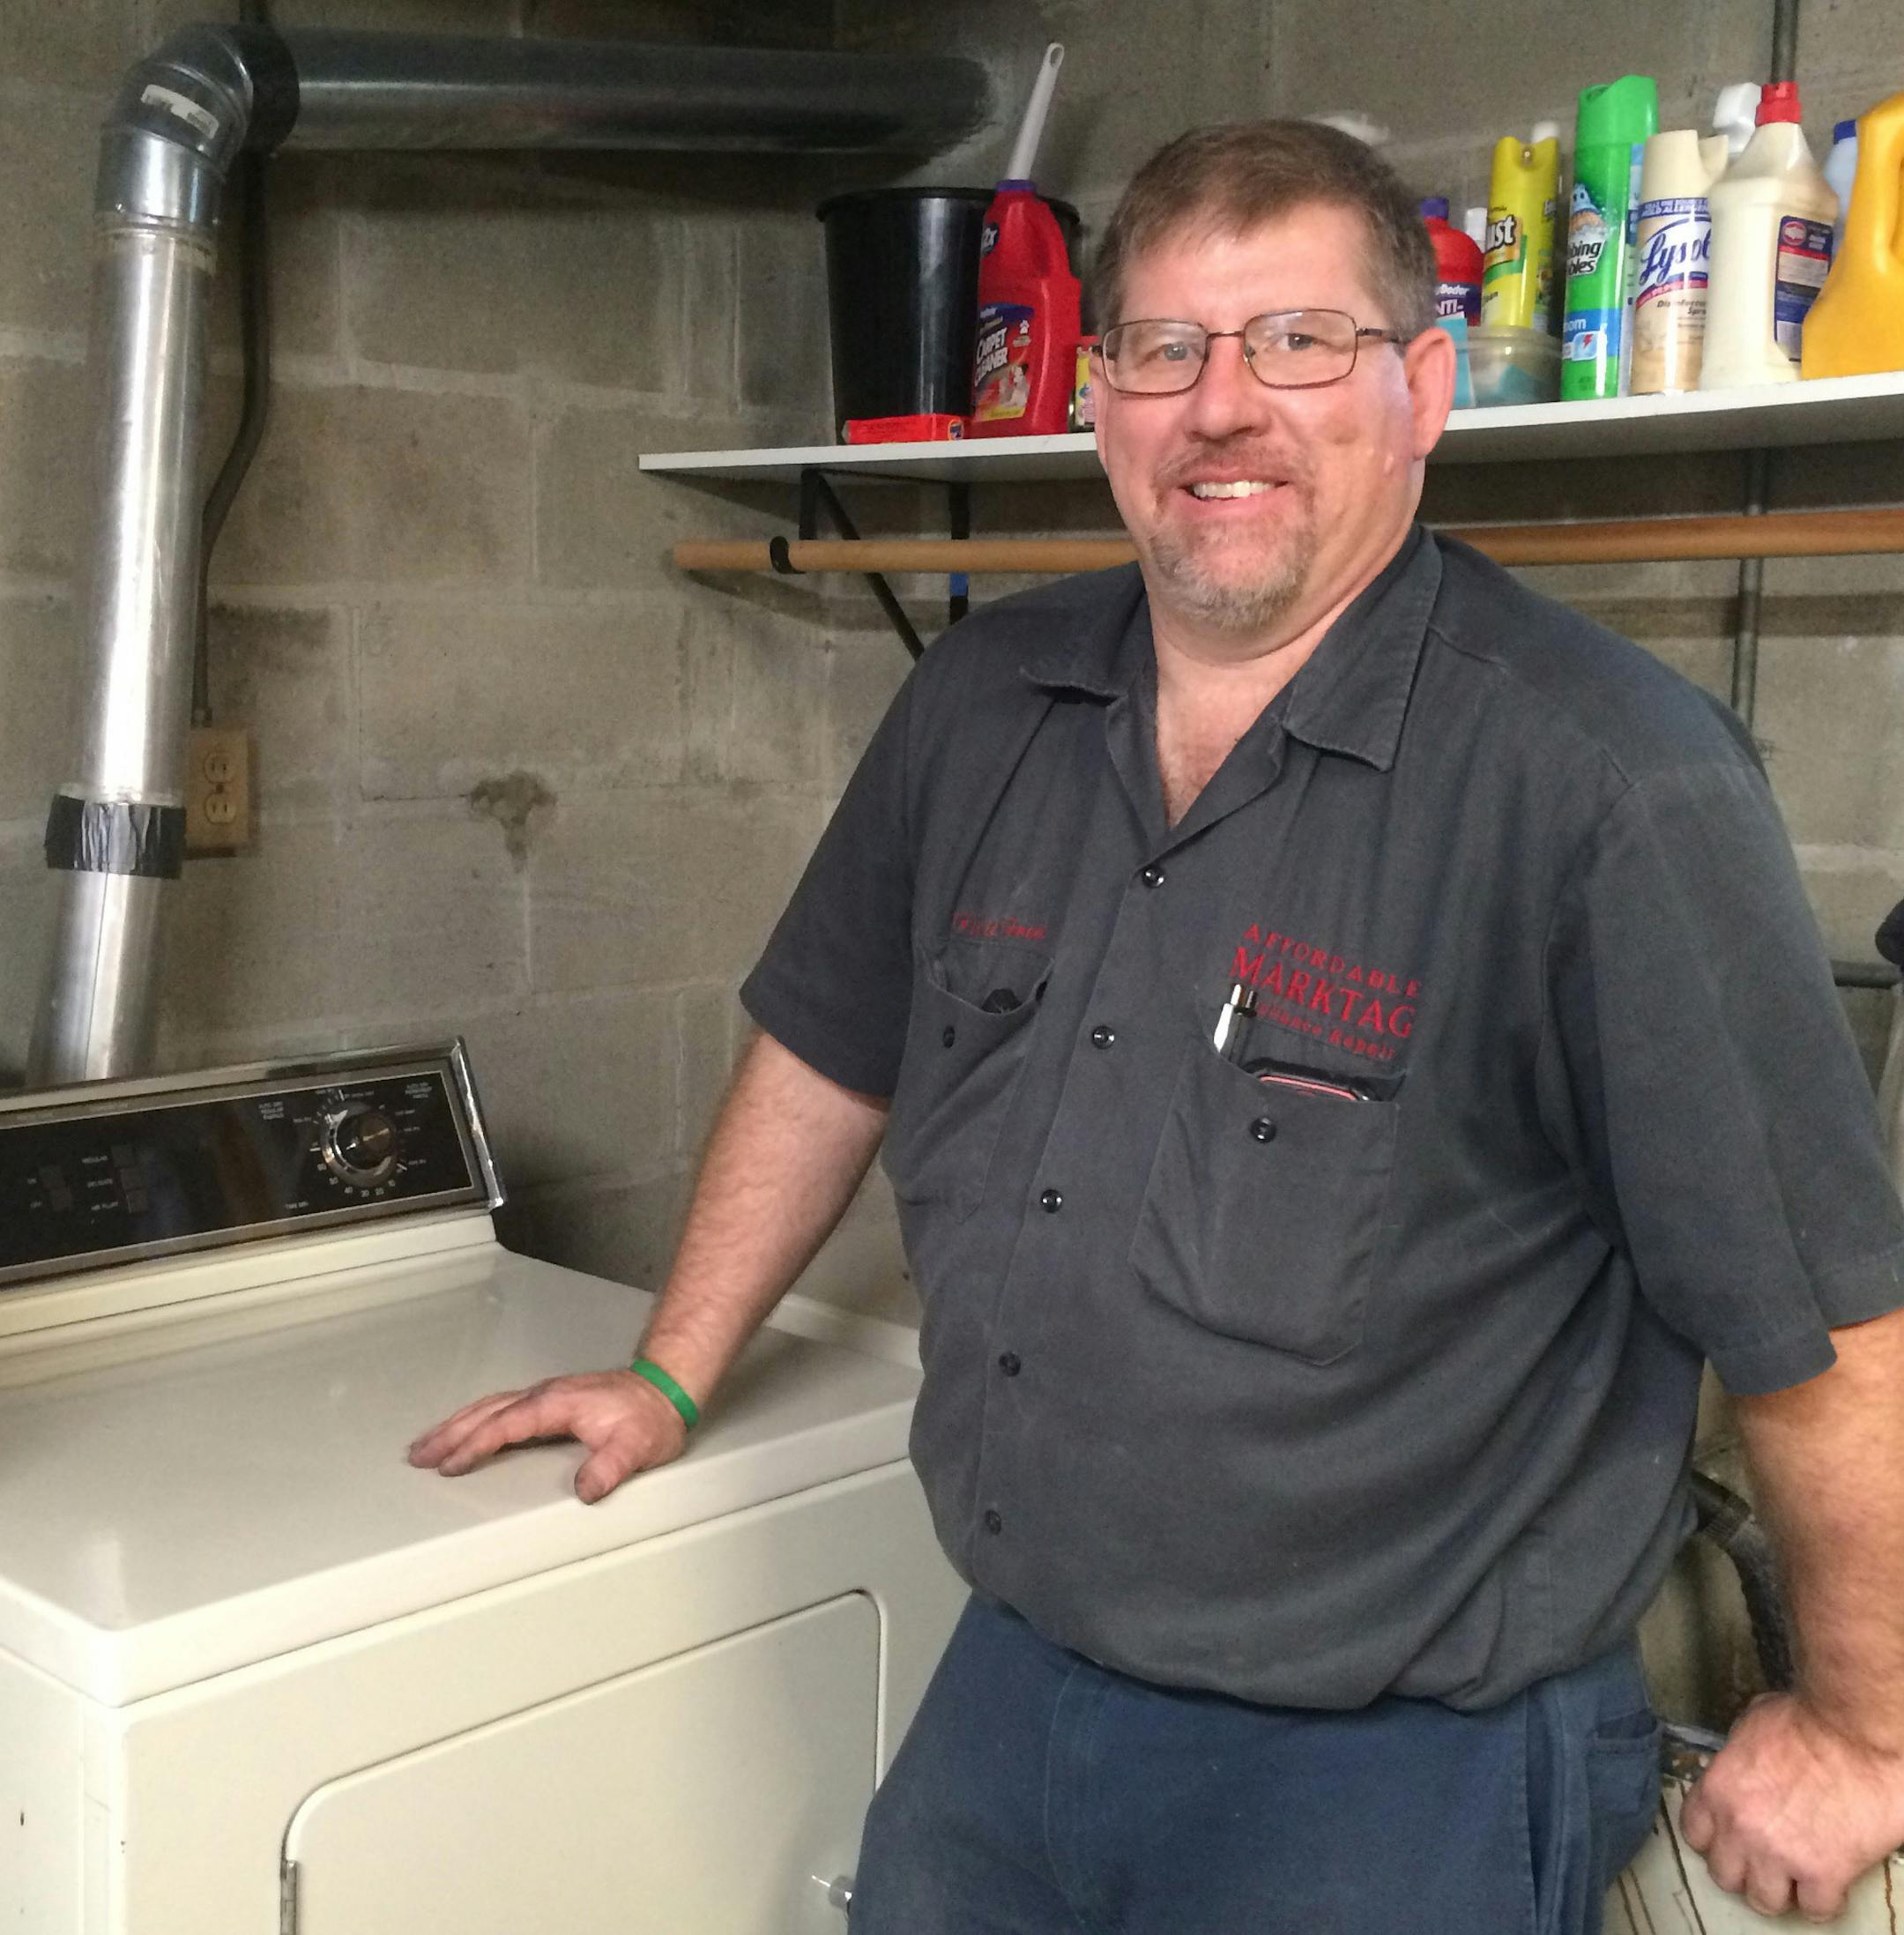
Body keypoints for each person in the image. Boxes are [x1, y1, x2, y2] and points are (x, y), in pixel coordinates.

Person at [409, 121, 1904, 1932]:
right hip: (1018, 1686)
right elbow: (827, 1042)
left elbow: (1822, 1318)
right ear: (1098, 404)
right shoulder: (981, 701)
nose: (1224, 407)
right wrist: (668, 1367)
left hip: (1396, 1773)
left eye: (1300, 342)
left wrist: (1866, 1728)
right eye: (1164, 351)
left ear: (1421, 391)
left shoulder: (1608, 784)